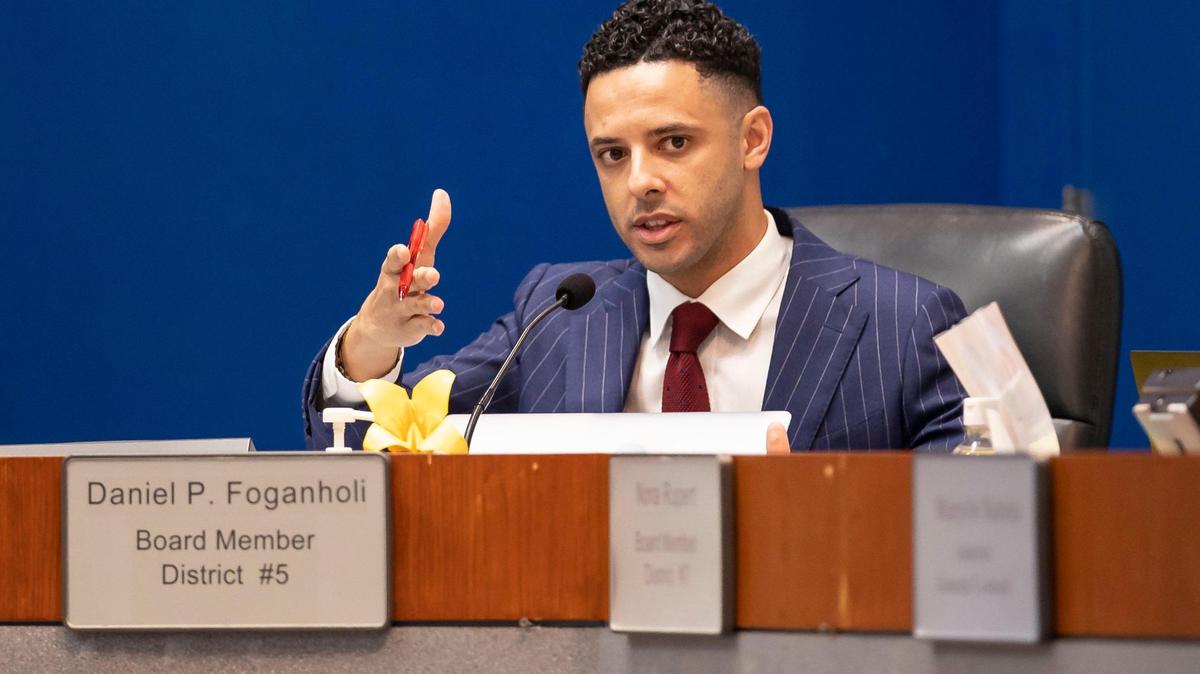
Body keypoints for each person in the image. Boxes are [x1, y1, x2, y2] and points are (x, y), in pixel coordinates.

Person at [302, 0, 967, 452]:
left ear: (752, 140)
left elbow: (976, 546)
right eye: (612, 155)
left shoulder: (904, 325)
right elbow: (362, 439)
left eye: (674, 143)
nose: (640, 181)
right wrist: (372, 342)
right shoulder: (559, 313)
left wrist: (809, 521)